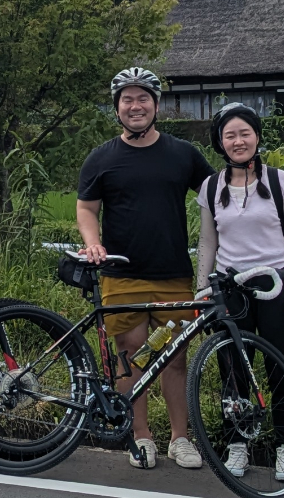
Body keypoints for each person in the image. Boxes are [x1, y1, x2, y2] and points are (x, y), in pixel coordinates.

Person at [77, 67, 213, 471]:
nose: (135, 106)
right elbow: (86, 208)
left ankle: (180, 438)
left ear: (156, 105)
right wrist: (93, 242)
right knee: (131, 355)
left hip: (173, 272)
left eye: (142, 99)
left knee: (174, 357)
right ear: (117, 108)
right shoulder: (101, 157)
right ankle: (141, 437)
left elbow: (216, 196)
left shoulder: (183, 154)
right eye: (127, 100)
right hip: (121, 274)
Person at [196, 102, 284, 482]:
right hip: (230, 288)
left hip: (276, 286)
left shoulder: (281, 182)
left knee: (281, 368)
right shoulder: (212, 187)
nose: (238, 140)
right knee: (232, 371)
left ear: (257, 136)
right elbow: (207, 243)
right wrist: (202, 290)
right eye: (229, 135)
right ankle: (237, 444)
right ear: (220, 142)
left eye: (244, 133)